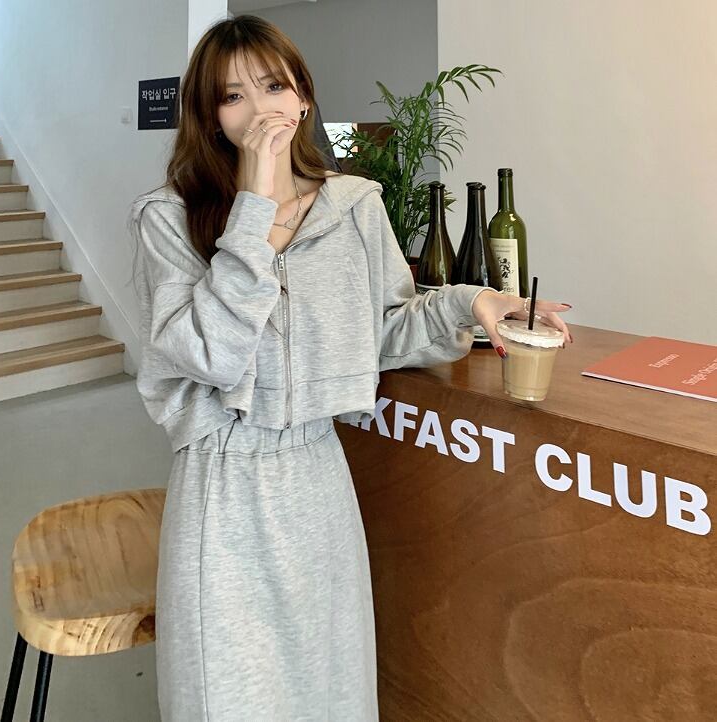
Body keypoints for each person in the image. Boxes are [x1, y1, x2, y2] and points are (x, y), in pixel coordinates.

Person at [128, 15, 572, 722]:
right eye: (233, 96)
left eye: (273, 86)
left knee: (329, 690)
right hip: (223, 484)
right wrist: (253, 206)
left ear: (303, 97)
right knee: (226, 696)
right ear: (211, 119)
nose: (260, 108)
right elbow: (210, 353)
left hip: (317, 479)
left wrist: (471, 300)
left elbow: (382, 330)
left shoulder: (355, 205)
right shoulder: (168, 218)